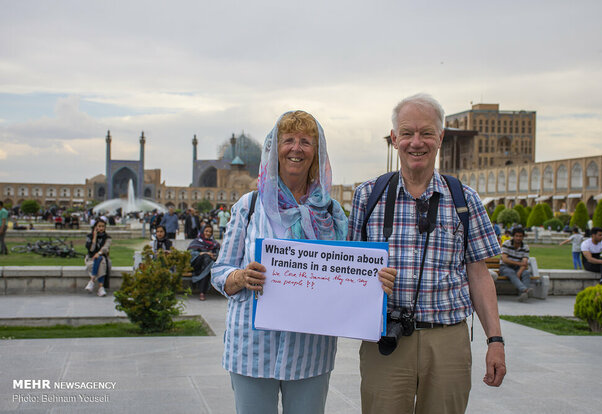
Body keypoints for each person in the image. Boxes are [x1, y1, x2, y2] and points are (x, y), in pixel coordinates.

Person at [211, 110, 394, 414]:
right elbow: (219, 272)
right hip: (252, 349)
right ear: (274, 149)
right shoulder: (250, 206)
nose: (296, 148)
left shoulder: (330, 213)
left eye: (306, 142)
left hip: (310, 352)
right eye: (289, 140)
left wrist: (375, 281)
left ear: (317, 153)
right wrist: (242, 277)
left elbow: (348, 272)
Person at [348, 94, 504, 414]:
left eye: (426, 133)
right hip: (386, 342)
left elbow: (479, 274)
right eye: (407, 133)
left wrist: (495, 341)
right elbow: (347, 271)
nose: (415, 142)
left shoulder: (464, 199)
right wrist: (367, 280)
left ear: (440, 138)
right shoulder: (369, 196)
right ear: (394, 139)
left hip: (447, 341)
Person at [188, 223, 220, 301]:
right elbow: (190, 253)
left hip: (208, 265)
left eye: (210, 232)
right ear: (202, 231)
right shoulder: (196, 241)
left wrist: (213, 256)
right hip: (196, 265)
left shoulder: (214, 243)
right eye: (206, 231)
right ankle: (202, 292)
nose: (208, 233)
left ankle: (202, 292)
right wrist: (203, 253)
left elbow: (219, 255)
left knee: (208, 265)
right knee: (206, 259)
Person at [500, 227, 532, 302]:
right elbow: (504, 260)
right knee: (511, 272)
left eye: (520, 236)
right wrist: (519, 263)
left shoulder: (525, 247)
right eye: (516, 236)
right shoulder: (506, 244)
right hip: (505, 267)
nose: (518, 238)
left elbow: (524, 263)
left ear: (523, 237)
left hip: (518, 268)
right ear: (513, 236)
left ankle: (522, 295)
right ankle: (525, 290)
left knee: (526, 273)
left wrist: (519, 272)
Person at [84, 219, 112, 297]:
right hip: (90, 259)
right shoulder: (89, 236)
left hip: (103, 258)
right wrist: (95, 237)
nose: (101, 228)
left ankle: (92, 281)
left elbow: (105, 248)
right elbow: (91, 249)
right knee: (100, 262)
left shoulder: (107, 237)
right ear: (95, 227)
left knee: (100, 259)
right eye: (99, 226)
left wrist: (99, 253)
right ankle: (101, 288)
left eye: (103, 226)